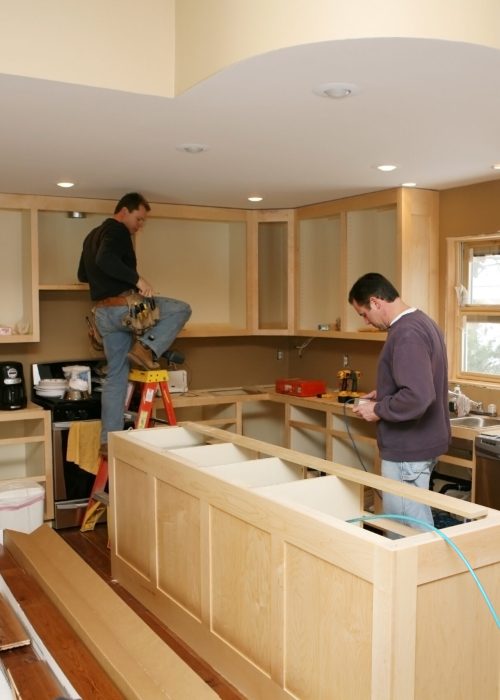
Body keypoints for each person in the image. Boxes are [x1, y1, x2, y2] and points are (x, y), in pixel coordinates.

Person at [78, 192, 192, 454]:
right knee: (181, 309)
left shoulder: (90, 237)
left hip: (103, 316)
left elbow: (83, 274)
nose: (140, 225)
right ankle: (147, 348)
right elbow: (105, 260)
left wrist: (105, 281)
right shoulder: (117, 231)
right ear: (124, 212)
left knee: (116, 376)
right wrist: (137, 281)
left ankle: (109, 440)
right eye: (139, 219)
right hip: (125, 309)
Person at [348, 272, 450, 528]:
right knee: (414, 523)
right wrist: (382, 393)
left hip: (408, 449)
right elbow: (417, 382)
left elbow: (418, 395)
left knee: (405, 531)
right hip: (419, 444)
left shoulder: (406, 333)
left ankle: (428, 570)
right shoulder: (422, 322)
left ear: (376, 302)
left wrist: (379, 409)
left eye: (363, 313)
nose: (367, 321)